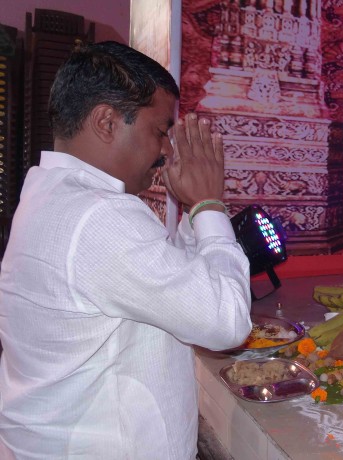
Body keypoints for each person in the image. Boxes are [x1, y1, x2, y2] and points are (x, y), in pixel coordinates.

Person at [0, 42, 252, 459]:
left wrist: (193, 210)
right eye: (159, 131)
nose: (167, 150)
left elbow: (170, 285)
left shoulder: (55, 194)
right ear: (106, 122)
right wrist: (210, 204)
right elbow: (226, 322)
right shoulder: (97, 216)